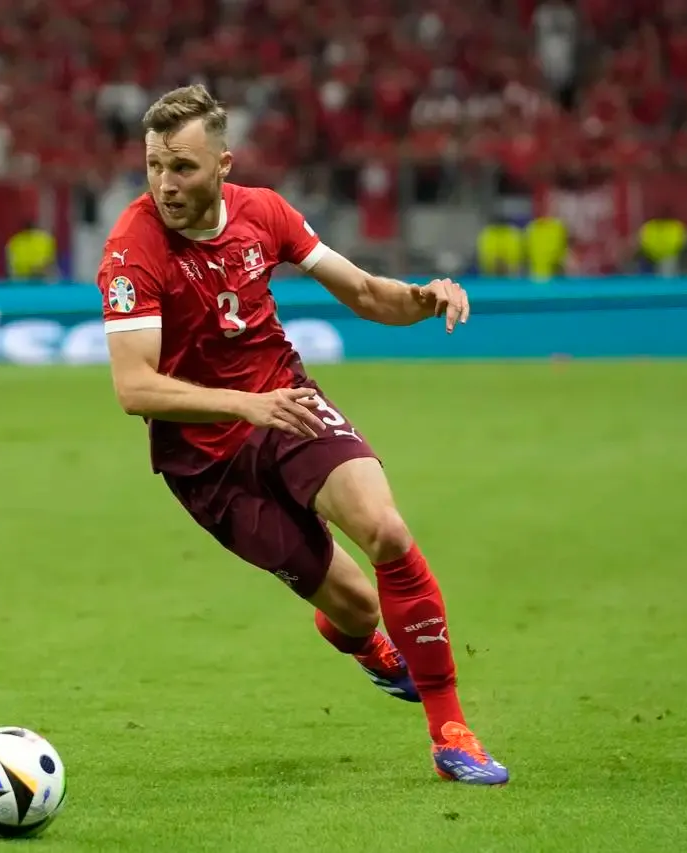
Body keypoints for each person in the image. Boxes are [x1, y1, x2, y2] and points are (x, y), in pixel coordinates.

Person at [97, 84, 508, 785]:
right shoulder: (132, 250)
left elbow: (363, 291)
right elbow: (133, 387)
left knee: (385, 530)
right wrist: (240, 407)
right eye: (154, 165)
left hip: (288, 404)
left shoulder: (265, 214)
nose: (165, 183)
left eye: (183, 167)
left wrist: (423, 297)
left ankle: (450, 732)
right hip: (206, 463)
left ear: (223, 164)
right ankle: (359, 640)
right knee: (355, 606)